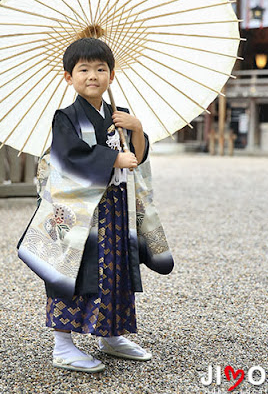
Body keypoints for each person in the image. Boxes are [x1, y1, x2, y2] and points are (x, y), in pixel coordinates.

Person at [17, 37, 173, 373]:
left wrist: (138, 129)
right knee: (72, 270)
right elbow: (68, 157)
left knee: (115, 270)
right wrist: (113, 156)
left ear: (112, 75)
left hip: (116, 208)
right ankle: (62, 344)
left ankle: (112, 334)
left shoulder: (121, 115)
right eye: (83, 69)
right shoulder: (67, 117)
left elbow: (138, 158)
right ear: (68, 77)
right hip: (78, 213)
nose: (92, 75)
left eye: (100, 69)